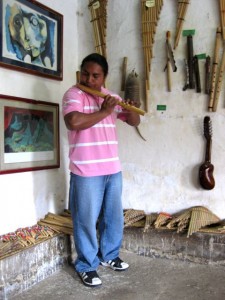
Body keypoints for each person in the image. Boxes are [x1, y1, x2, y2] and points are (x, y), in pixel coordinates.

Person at [62, 53, 140, 287]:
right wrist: (105, 112)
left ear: (104, 77)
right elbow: (73, 122)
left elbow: (134, 121)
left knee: (113, 217)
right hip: (85, 171)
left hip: (111, 168)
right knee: (85, 219)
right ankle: (86, 264)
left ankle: (110, 256)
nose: (89, 79)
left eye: (95, 76)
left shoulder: (111, 97)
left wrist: (132, 109)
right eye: (85, 73)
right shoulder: (73, 94)